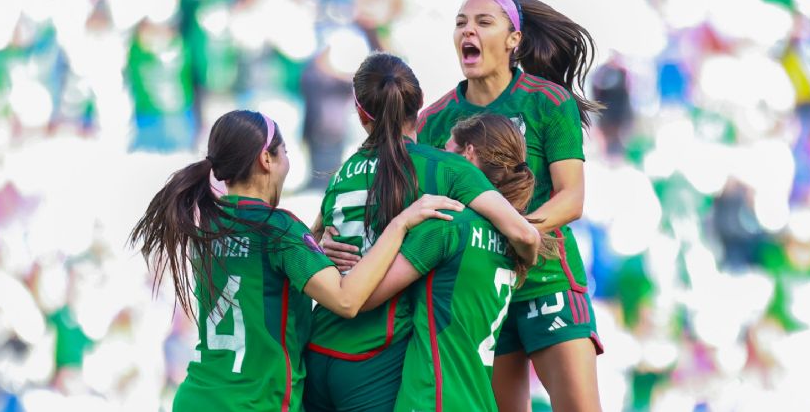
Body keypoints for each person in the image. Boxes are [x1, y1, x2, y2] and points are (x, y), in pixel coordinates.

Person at [129, 110, 462, 412]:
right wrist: (400, 224)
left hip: (197, 398)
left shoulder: (207, 227)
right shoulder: (277, 229)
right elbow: (346, 300)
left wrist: (313, 252)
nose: (287, 160)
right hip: (254, 402)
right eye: (285, 151)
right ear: (266, 159)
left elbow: (254, 276)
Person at [306, 53, 545, 412]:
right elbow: (523, 234)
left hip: (318, 348)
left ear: (359, 112)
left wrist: (324, 248)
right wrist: (519, 265)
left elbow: (311, 244)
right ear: (419, 105)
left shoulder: (342, 172)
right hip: (374, 358)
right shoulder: (444, 168)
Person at [419, 0, 605, 412]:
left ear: (513, 40)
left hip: (548, 278)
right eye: (461, 22)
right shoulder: (432, 121)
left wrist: (513, 234)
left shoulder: (548, 102)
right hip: (482, 290)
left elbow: (572, 199)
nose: (469, 30)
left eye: (484, 22)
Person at [358, 112, 551, 411]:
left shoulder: (447, 226)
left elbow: (362, 297)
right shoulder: (512, 246)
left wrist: (397, 225)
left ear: (468, 156)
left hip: (430, 399)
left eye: (447, 152)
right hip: (479, 401)